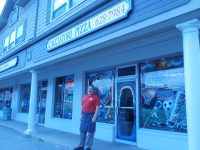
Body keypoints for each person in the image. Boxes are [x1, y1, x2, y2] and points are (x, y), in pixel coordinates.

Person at [74, 85, 100, 150]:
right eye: (89, 89)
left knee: (91, 131)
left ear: (93, 90)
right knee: (82, 130)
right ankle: (81, 146)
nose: (90, 90)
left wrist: (94, 117)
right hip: (84, 115)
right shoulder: (85, 97)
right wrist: (81, 115)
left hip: (91, 115)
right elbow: (82, 106)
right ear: (87, 90)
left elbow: (97, 108)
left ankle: (88, 147)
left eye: (91, 89)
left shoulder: (95, 97)